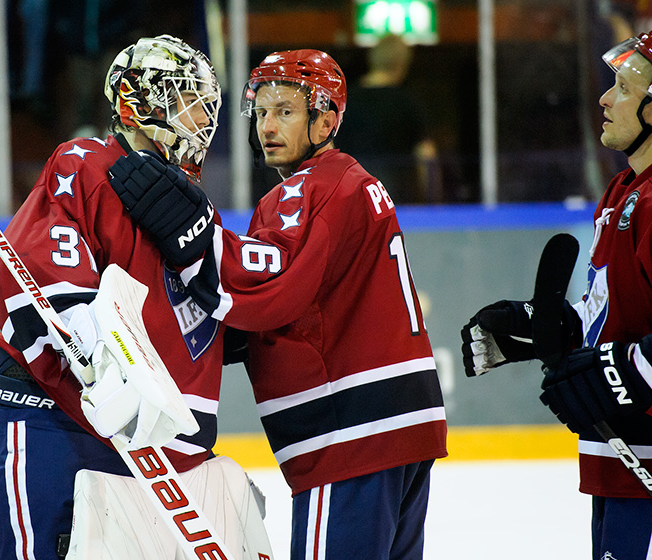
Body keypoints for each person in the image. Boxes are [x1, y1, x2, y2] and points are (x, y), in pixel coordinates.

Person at [110, 49, 448, 560]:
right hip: (399, 427)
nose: (268, 126)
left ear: (325, 120)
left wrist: (191, 230)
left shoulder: (312, 188)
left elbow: (269, 283)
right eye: (261, 112)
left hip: (349, 432)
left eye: (286, 111)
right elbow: (299, 305)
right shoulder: (355, 183)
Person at [0, 35, 263, 559]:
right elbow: (32, 272)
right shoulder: (85, 164)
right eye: (182, 99)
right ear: (135, 104)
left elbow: (215, 319)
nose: (199, 116)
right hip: (58, 420)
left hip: (149, 453)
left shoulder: (193, 209)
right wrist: (88, 339)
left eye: (203, 103)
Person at [461, 31, 652, 560]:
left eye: (623, 87)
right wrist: (543, 328)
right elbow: (617, 315)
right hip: (618, 456)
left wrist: (620, 371)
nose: (604, 98)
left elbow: (630, 361)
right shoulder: (622, 192)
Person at [336, 34, 440, 204]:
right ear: (402, 64)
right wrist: (432, 200)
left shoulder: (346, 101)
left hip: (352, 196)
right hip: (394, 198)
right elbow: (427, 155)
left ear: (372, 59)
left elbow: (330, 152)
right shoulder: (407, 102)